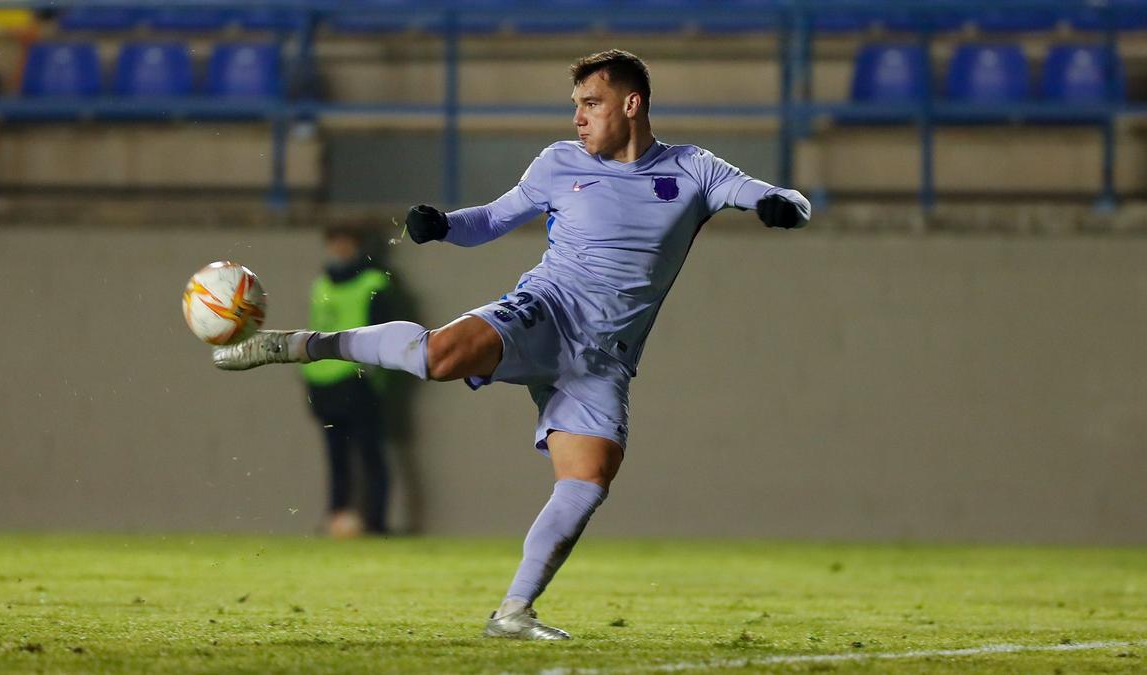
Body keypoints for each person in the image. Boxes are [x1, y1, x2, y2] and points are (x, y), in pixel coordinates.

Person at [213, 49, 810, 640]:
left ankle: (513, 612)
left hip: (604, 357)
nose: (578, 117)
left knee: (589, 477)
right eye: (575, 105)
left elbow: (784, 197)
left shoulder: (693, 170)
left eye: (591, 103)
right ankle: (297, 344)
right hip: (547, 309)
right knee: (439, 357)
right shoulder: (558, 162)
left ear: (632, 105)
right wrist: (446, 225)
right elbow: (494, 220)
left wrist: (780, 206)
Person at [302, 226, 395, 538]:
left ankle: (376, 523)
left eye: (346, 242)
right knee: (336, 457)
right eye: (334, 242)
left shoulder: (374, 282)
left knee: (370, 453)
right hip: (323, 380)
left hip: (357, 379)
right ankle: (336, 517)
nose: (339, 249)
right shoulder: (321, 283)